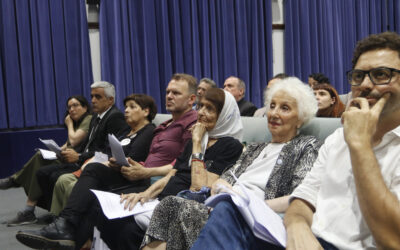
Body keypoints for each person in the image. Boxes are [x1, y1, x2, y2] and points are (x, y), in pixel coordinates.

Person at [15, 73, 199, 249]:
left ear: (191, 99)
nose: (169, 96)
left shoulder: (192, 125)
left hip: (157, 182)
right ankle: (65, 227)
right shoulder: (164, 126)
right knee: (94, 171)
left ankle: (67, 233)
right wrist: (135, 166)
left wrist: (146, 171)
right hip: (141, 174)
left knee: (94, 188)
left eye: (176, 93)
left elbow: (182, 163)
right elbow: (149, 159)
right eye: (168, 92)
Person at [143, 77, 322, 250]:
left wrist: (253, 205)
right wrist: (223, 188)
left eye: (284, 108)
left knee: (174, 206)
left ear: (300, 117)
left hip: (257, 216)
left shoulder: (307, 146)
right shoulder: (254, 148)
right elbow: (223, 181)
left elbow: (300, 196)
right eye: (272, 106)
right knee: (169, 204)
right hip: (225, 206)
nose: (274, 113)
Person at [49, 94, 157, 216]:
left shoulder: (148, 131)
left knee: (74, 185)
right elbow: (107, 151)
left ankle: (70, 223)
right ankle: (58, 218)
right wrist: (93, 161)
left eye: (132, 107)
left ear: (146, 111)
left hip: (125, 176)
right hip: (108, 167)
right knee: (63, 180)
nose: (126, 110)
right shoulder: (126, 131)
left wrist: (101, 163)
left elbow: (133, 158)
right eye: (126, 107)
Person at [34, 82, 130, 212]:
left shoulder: (115, 117)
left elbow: (106, 151)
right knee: (42, 173)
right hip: (83, 159)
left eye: (98, 97)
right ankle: (56, 211)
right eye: (92, 97)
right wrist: (72, 153)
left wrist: (78, 156)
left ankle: (61, 214)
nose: (93, 101)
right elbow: (88, 143)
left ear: (110, 100)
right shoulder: (96, 115)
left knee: (53, 176)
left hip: (94, 163)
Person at [0, 95, 92, 226]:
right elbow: (68, 144)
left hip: (78, 162)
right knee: (40, 156)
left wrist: (69, 124)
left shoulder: (88, 119)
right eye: (69, 107)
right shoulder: (79, 122)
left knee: (39, 161)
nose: (71, 109)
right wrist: (56, 150)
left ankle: (16, 184)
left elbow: (74, 140)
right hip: (67, 158)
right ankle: (22, 198)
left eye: (75, 105)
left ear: (85, 107)